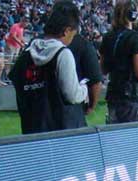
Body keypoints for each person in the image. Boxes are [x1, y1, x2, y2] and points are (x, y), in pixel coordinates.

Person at [9, 0, 87, 134]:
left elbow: (16, 81)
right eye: (72, 35)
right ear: (66, 31)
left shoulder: (26, 55)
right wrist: (84, 90)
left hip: (31, 131)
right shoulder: (63, 54)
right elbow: (72, 95)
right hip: (59, 133)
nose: (71, 40)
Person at [99, 0, 138, 124]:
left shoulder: (107, 38)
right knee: (135, 139)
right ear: (133, 16)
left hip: (113, 96)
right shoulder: (135, 39)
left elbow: (103, 69)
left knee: (115, 137)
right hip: (132, 98)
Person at [67, 25, 102, 120]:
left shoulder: (37, 43)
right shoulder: (84, 45)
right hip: (72, 109)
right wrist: (91, 106)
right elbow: (96, 82)